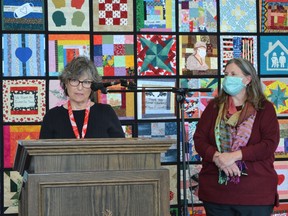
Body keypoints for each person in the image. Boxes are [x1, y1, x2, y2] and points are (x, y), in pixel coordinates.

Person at [193, 58, 280, 216]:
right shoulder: (214, 108)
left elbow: (269, 144)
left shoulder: (264, 109)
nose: (228, 78)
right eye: (226, 74)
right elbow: (199, 140)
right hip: (217, 194)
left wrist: (233, 156)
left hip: (255, 195)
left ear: (247, 79)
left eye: (233, 74)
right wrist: (218, 157)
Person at [39, 56, 125, 139]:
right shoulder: (52, 116)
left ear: (93, 85)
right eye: (74, 80)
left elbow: (121, 149)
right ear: (65, 83)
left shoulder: (106, 112)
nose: (80, 88)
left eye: (86, 82)